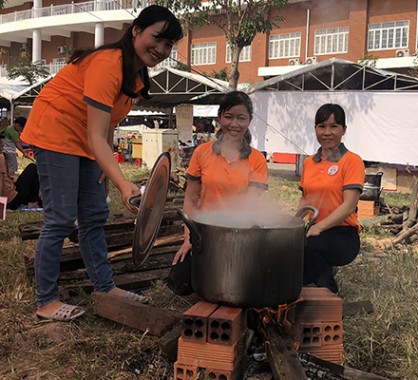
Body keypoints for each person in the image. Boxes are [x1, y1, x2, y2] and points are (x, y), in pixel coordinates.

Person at [20, 5, 183, 321]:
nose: (161, 50)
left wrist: (108, 173)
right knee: (61, 218)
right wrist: (124, 183)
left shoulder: (133, 77)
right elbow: (96, 135)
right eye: (157, 38)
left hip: (86, 141)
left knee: (95, 215)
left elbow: (107, 128)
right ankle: (46, 302)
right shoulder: (107, 65)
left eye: (168, 45)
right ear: (135, 30)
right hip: (56, 132)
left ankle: (105, 287)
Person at [167, 91, 269, 295]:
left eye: (241, 118)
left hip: (240, 234)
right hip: (204, 233)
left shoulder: (257, 159)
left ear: (249, 121)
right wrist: (188, 239)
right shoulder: (201, 152)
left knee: (243, 283)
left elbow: (250, 205)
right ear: (220, 117)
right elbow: (191, 198)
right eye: (229, 116)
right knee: (179, 282)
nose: (234, 124)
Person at [298, 104, 365, 294]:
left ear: (344, 130)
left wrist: (318, 227)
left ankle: (329, 292)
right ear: (315, 129)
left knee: (307, 247)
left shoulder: (352, 161)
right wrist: (292, 225)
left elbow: (349, 205)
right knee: (287, 248)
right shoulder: (309, 162)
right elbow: (305, 199)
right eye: (321, 126)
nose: (327, 132)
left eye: (334, 126)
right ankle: (307, 280)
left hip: (343, 234)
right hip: (313, 230)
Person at [0, 136, 41, 210]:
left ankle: (34, 200)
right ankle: (32, 202)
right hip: (10, 200)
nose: (2, 149)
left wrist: (9, 179)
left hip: (11, 192)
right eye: (1, 146)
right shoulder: (0, 157)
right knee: (33, 168)